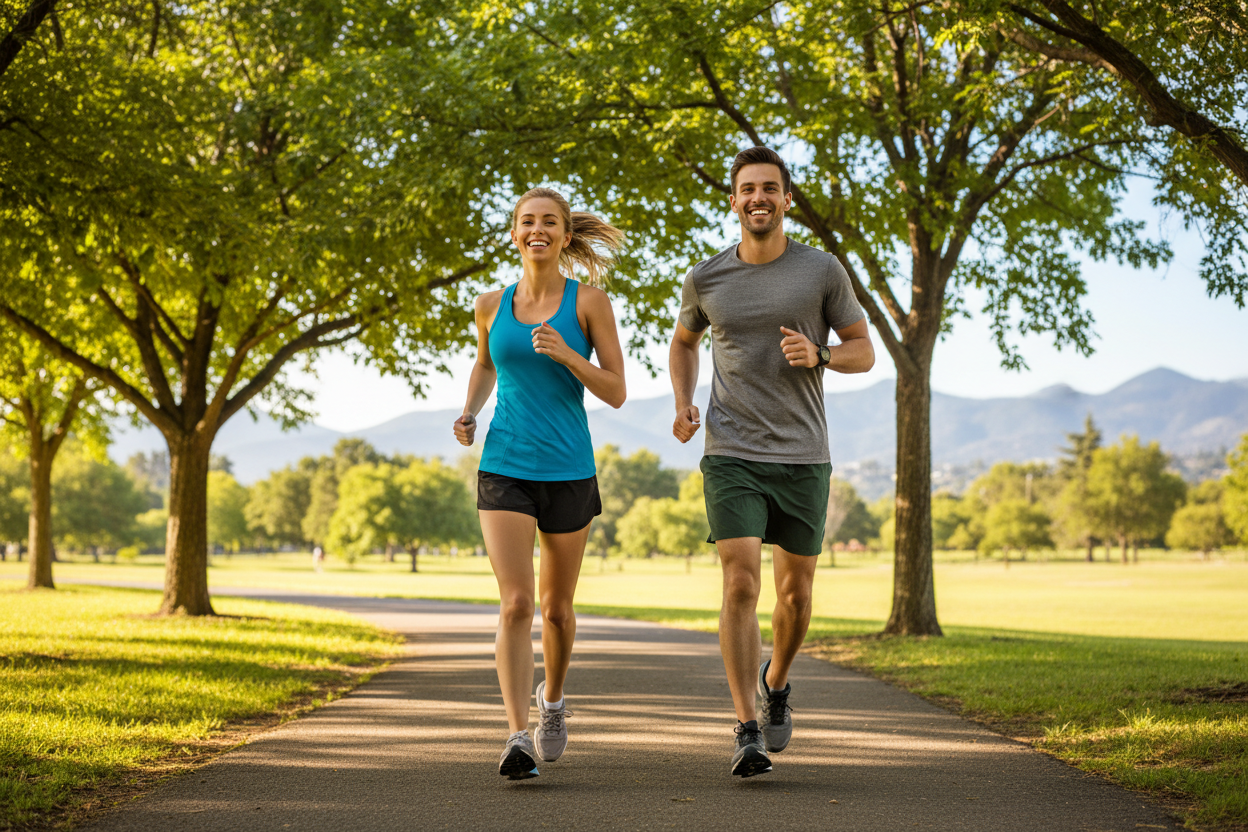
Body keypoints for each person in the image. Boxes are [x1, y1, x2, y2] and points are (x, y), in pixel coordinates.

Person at [669, 146, 875, 777]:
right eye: (746, 188)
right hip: (730, 450)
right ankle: (745, 728)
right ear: (732, 200)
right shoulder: (706, 278)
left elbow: (864, 352)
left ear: (787, 198)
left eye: (770, 188)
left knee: (796, 595)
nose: (758, 197)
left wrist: (820, 355)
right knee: (740, 582)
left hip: (803, 455)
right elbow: (683, 342)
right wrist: (683, 402)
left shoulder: (821, 271)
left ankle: (777, 681)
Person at [454, 187, 627, 780]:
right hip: (504, 465)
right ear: (513, 233)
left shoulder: (589, 304)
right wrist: (471, 411)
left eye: (549, 222)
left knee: (556, 611)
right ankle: (516, 735)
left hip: (569, 469)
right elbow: (485, 364)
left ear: (564, 234)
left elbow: (615, 390)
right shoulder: (488, 304)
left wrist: (567, 356)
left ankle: (551, 702)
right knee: (516, 604)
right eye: (527, 221)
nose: (538, 230)